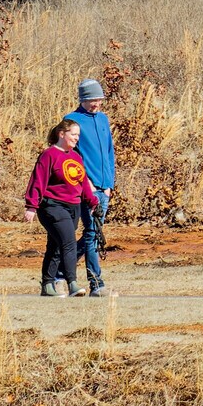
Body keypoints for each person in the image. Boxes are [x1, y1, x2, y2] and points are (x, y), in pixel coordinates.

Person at [24, 119, 96, 297]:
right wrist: (31, 206)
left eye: (78, 135)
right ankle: (72, 283)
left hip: (73, 206)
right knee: (69, 242)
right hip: (52, 206)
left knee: (56, 245)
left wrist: (93, 201)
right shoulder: (49, 155)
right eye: (73, 134)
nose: (76, 138)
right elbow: (38, 181)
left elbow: (82, 182)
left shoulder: (75, 156)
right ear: (61, 134)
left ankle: (47, 286)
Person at [65, 79, 117, 296]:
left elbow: (109, 151)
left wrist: (109, 184)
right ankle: (96, 284)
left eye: (98, 99)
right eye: (91, 100)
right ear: (82, 99)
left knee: (91, 235)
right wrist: (85, 182)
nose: (96, 103)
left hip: (103, 187)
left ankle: (59, 270)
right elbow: (71, 155)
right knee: (93, 233)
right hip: (87, 187)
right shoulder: (72, 120)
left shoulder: (103, 119)